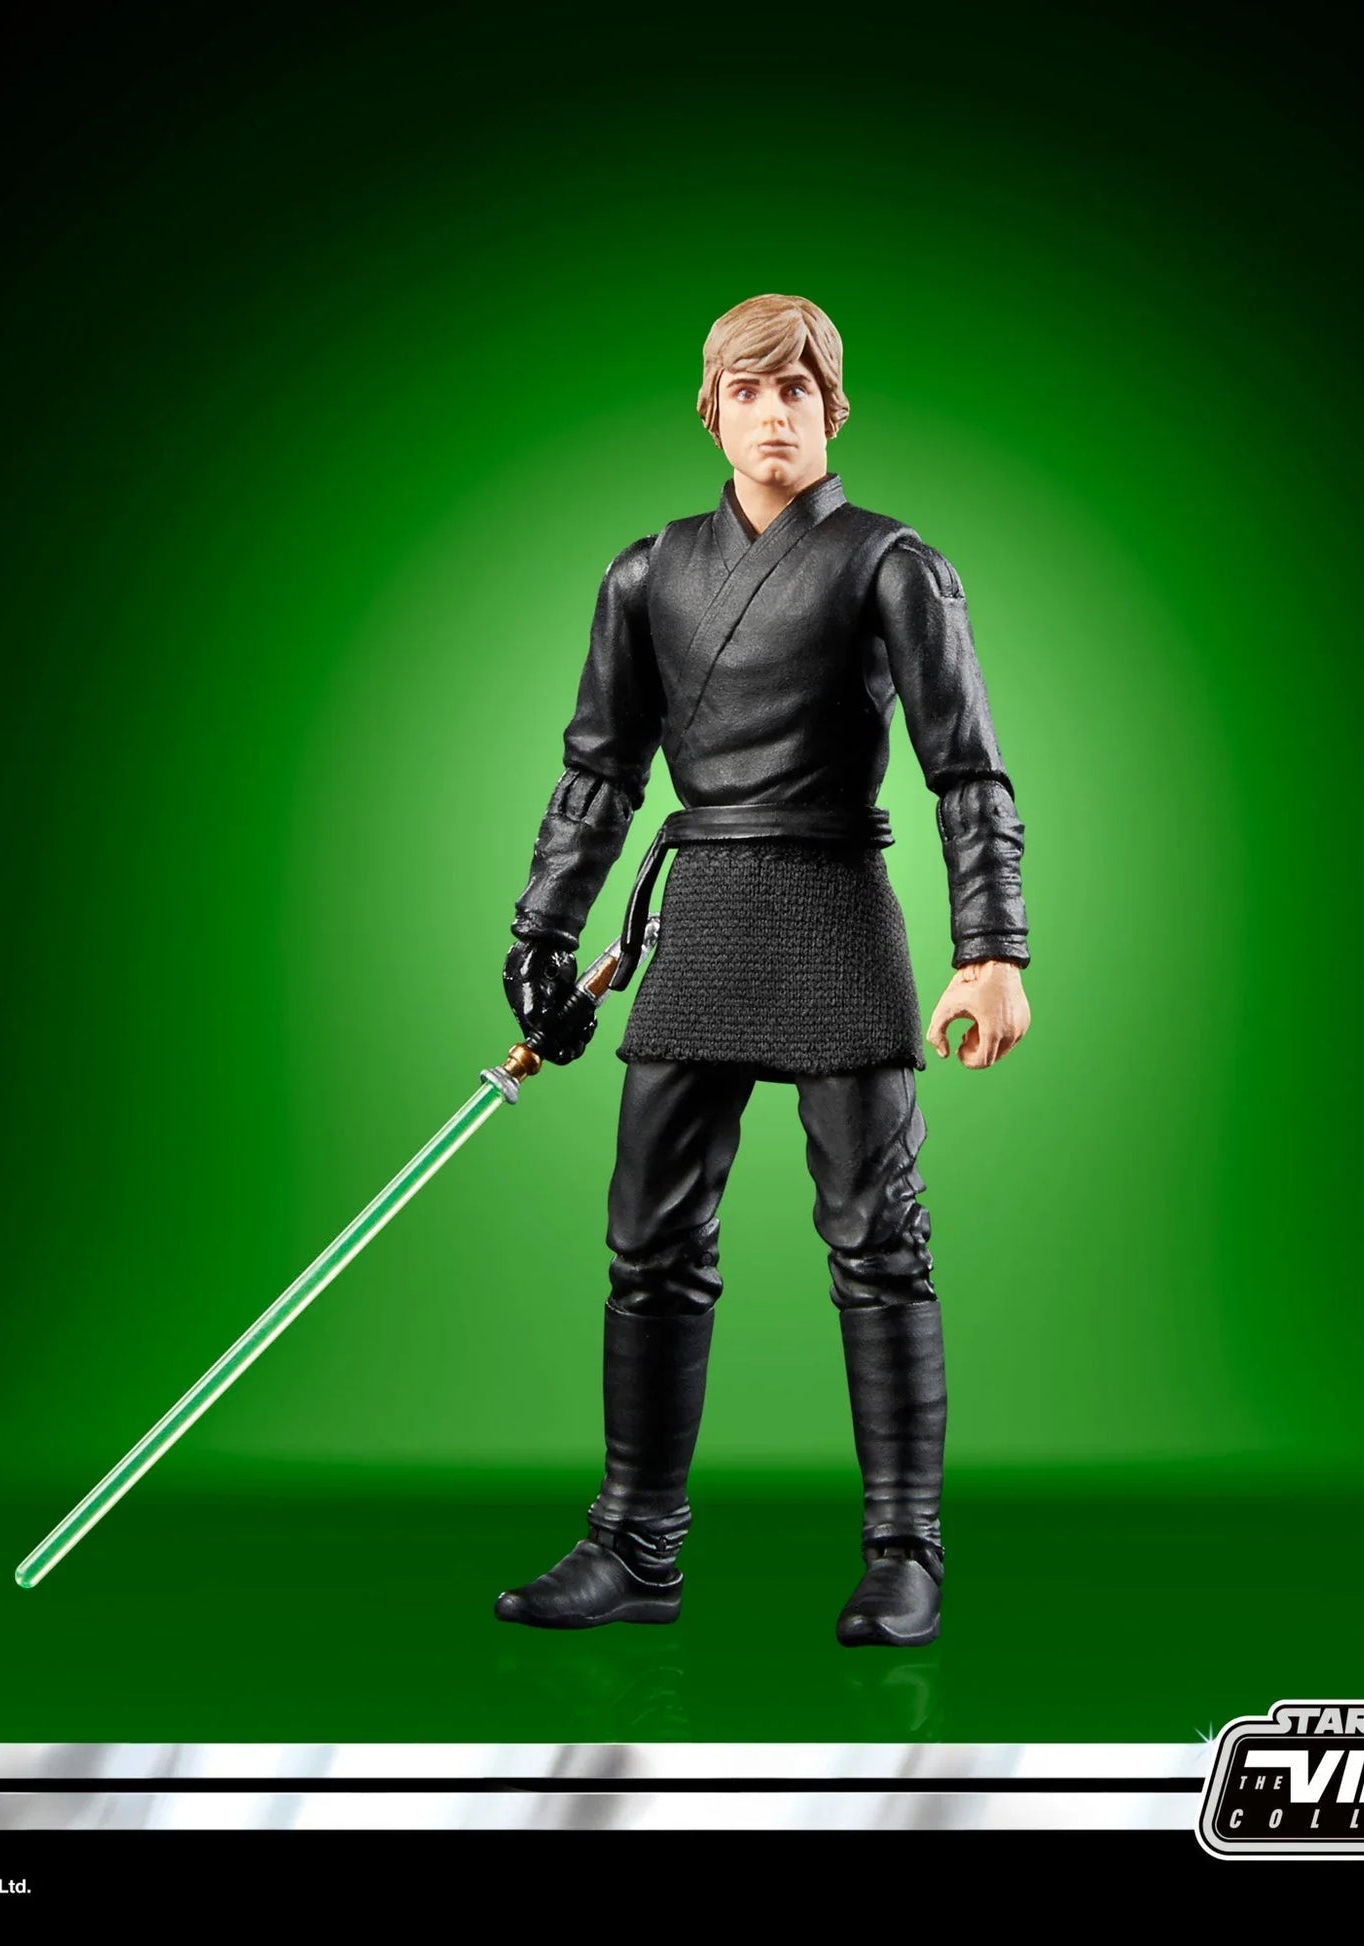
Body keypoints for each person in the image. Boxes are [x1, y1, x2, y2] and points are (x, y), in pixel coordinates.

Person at [495, 293, 1031, 1646]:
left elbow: (966, 770)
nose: (773, 411)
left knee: (878, 1242)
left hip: (836, 907)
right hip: (702, 917)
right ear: (713, 411)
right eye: (748, 389)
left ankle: (904, 1548)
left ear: (831, 408)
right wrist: (545, 929)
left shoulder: (890, 564)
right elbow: (598, 770)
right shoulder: (647, 573)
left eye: (797, 388)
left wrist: (990, 949)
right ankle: (635, 1543)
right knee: (648, 1242)